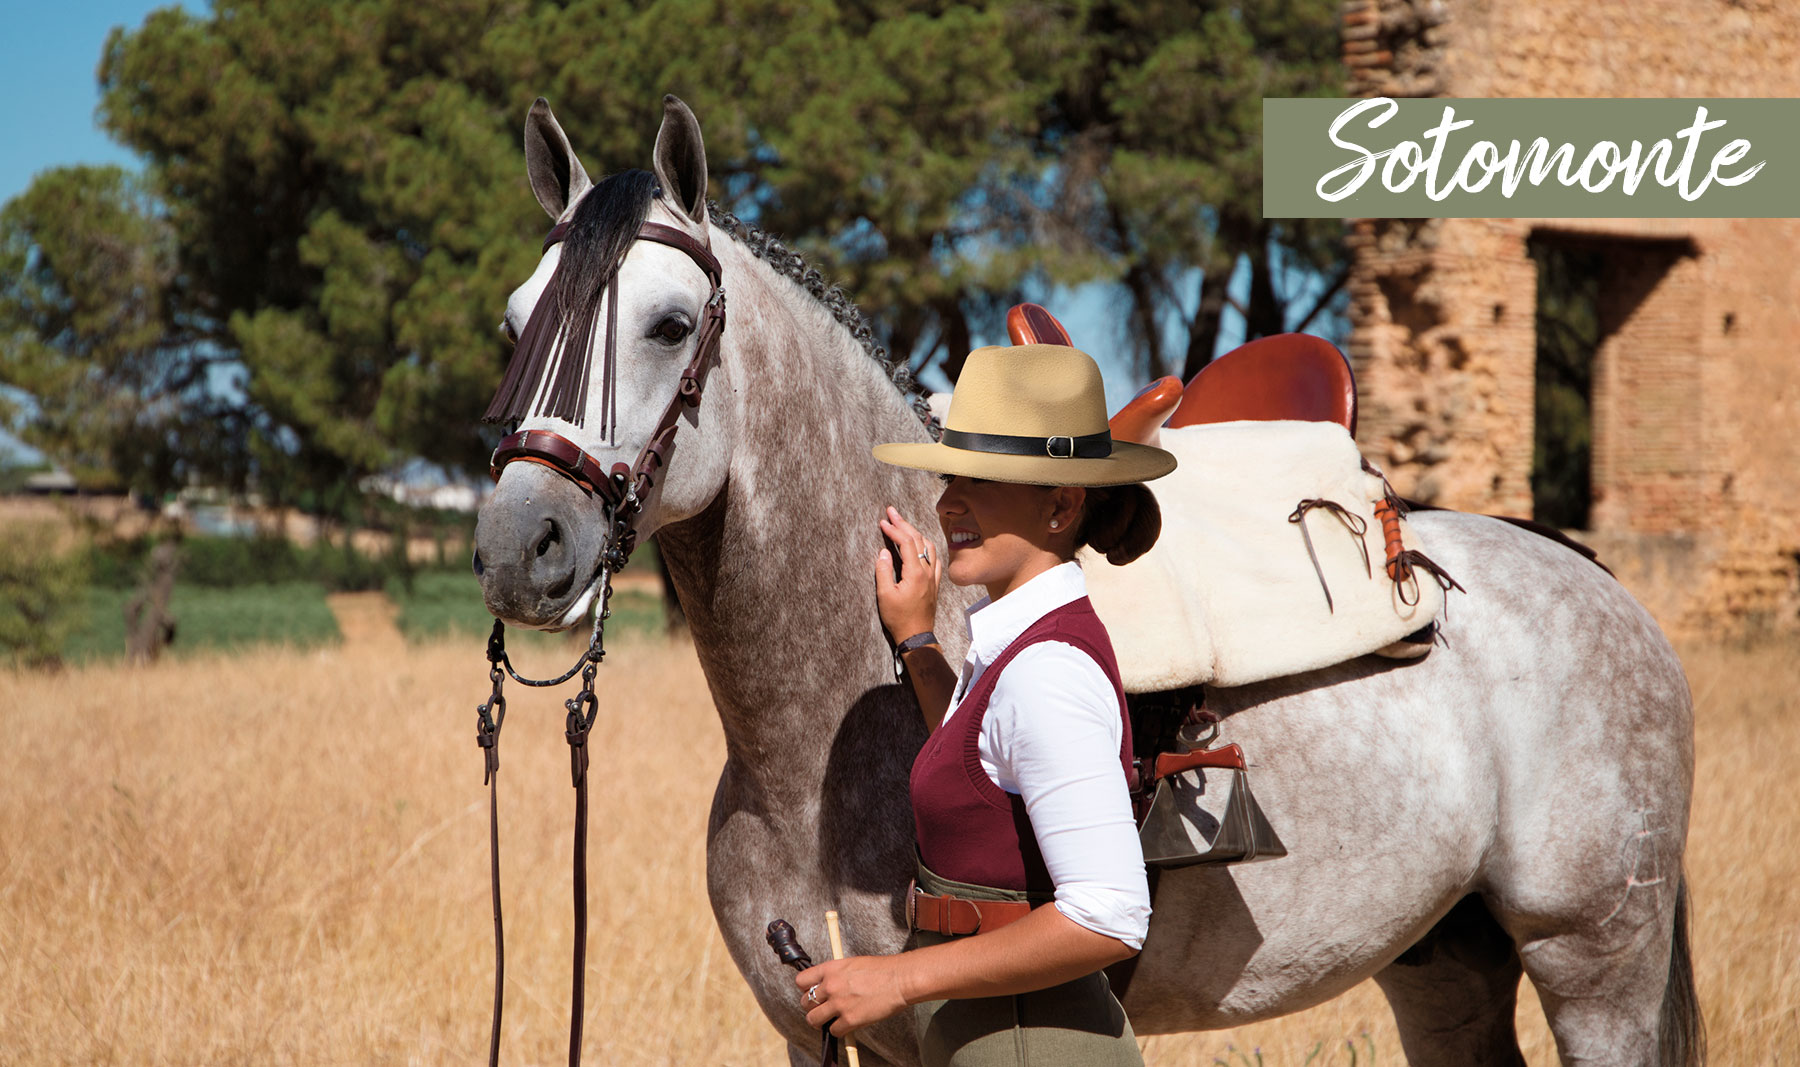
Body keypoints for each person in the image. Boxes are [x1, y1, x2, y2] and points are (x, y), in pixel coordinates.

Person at [794, 343, 1177, 1066]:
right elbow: (979, 759)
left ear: (1062, 504)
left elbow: (1110, 912)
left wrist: (898, 977)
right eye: (949, 475)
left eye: (983, 479)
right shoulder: (1019, 649)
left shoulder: (1045, 671)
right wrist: (916, 638)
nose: (946, 502)